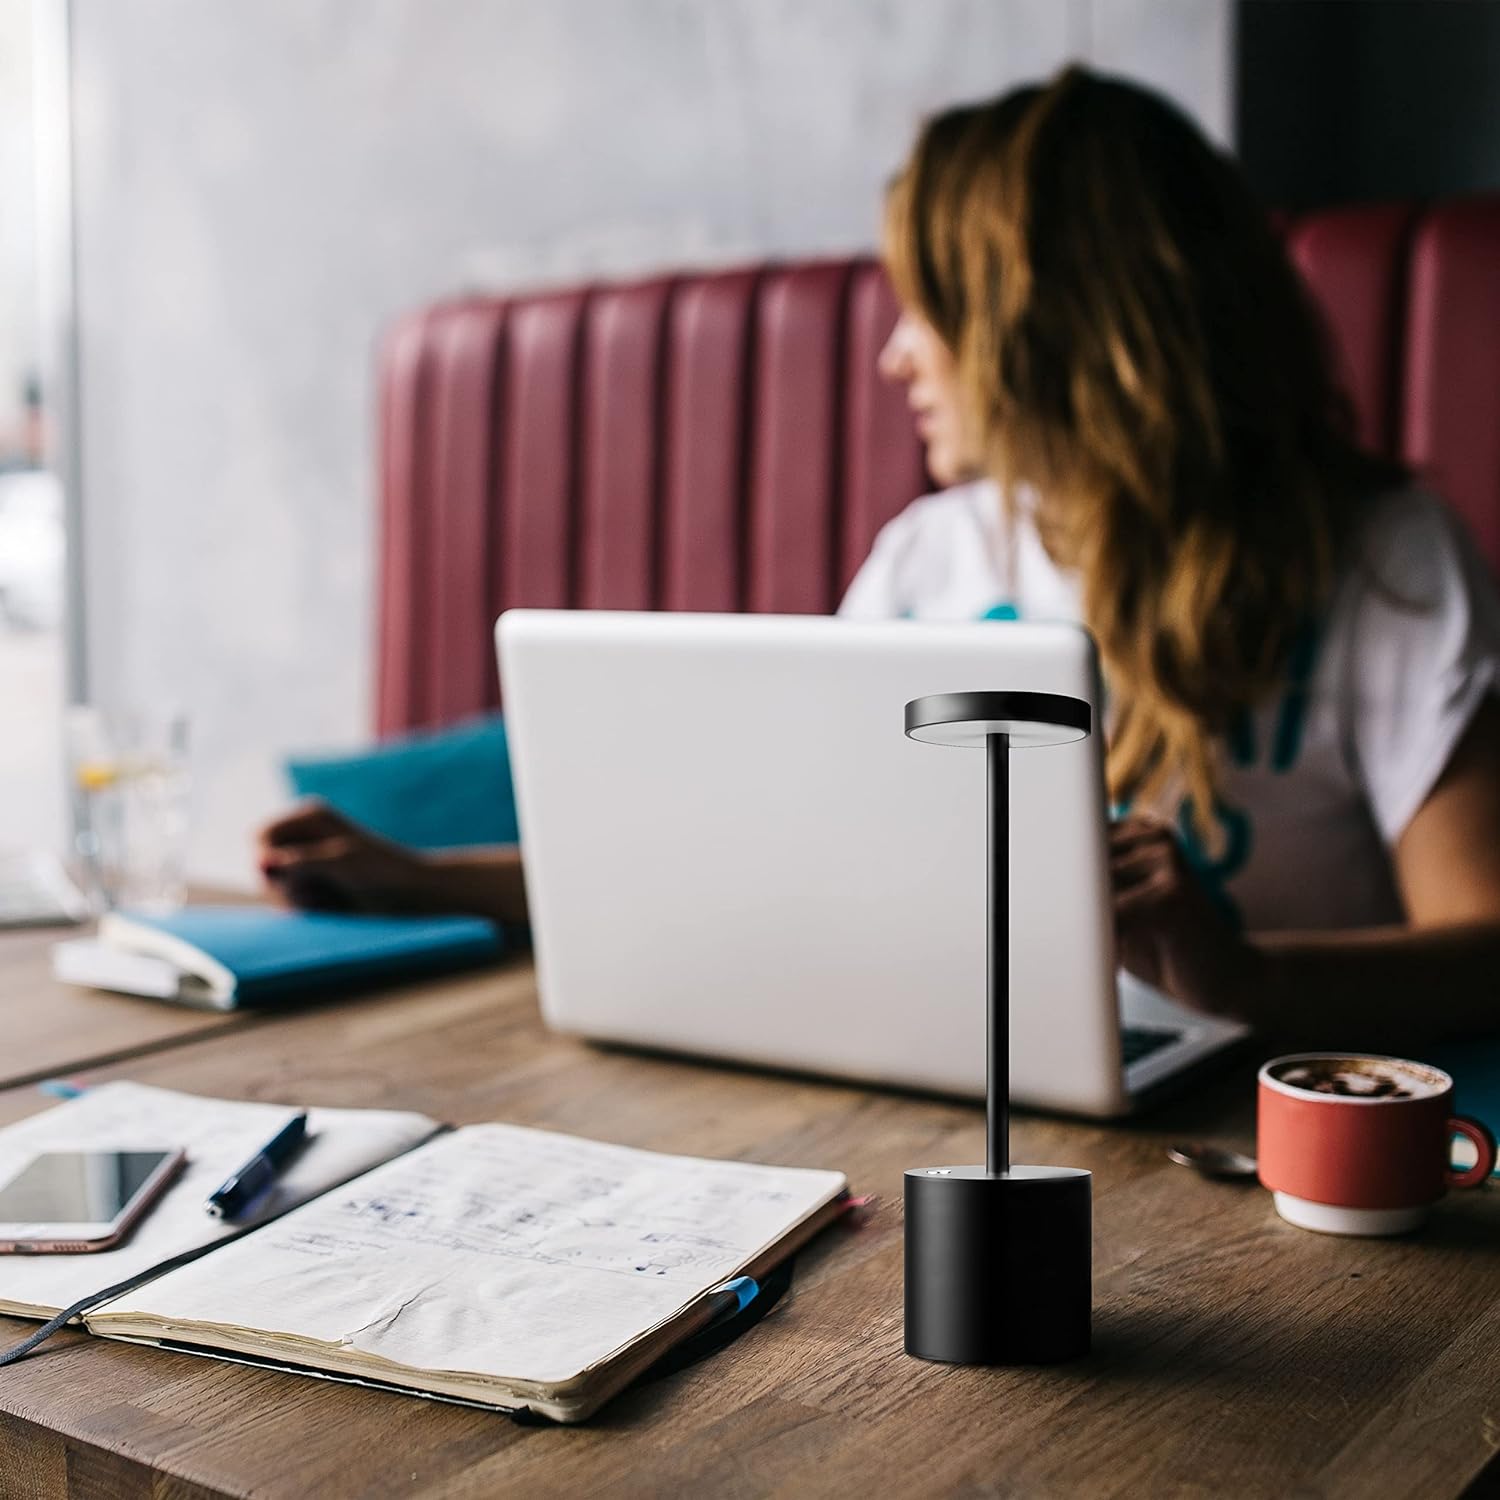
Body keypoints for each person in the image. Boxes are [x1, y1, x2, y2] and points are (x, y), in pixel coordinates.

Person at [261, 66, 1500, 1044]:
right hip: (968, 1091)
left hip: (1250, 1121)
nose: (897, 355)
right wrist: (423, 879)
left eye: (933, 310)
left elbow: (1484, 944)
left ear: (1060, 331)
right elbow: (751, 865)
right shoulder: (931, 560)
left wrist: (1242, 979)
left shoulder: (1382, 562)